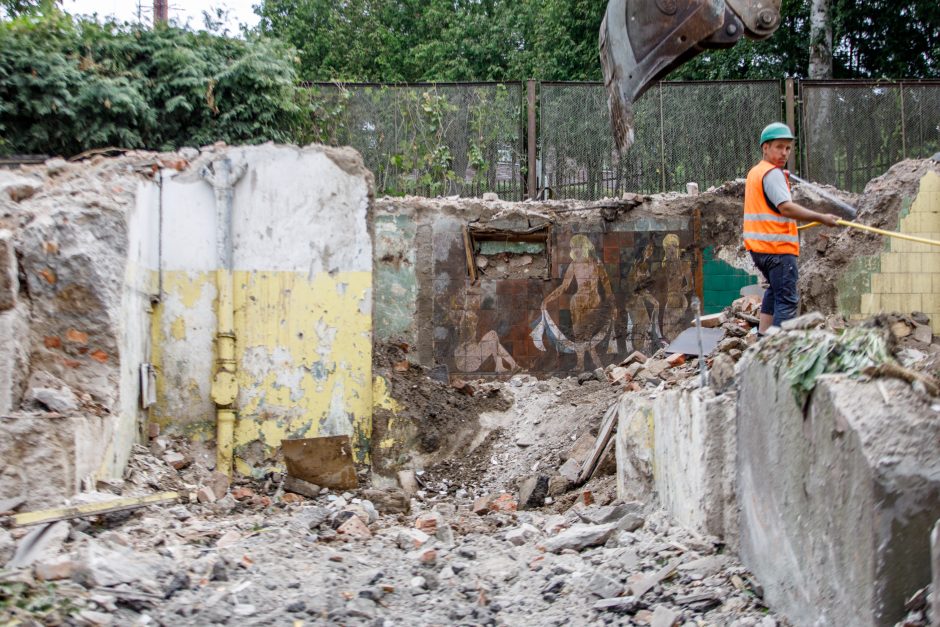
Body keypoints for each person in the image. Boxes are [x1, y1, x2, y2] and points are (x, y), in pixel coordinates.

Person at [744, 123, 840, 333]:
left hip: (759, 250)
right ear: (765, 148)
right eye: (779, 147)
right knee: (787, 301)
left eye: (787, 148)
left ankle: (763, 343)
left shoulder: (755, 173)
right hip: (778, 251)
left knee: (774, 292)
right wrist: (821, 217)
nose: (784, 153)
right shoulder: (772, 173)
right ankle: (776, 352)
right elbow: (785, 208)